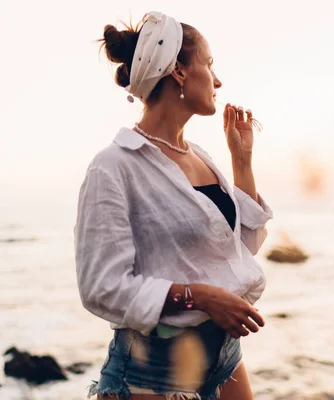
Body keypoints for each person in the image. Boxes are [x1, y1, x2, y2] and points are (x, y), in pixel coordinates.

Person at [74, 11, 273, 400]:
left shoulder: (200, 156)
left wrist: (242, 161)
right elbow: (101, 287)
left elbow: (238, 251)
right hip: (152, 372)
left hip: (224, 358)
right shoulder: (114, 167)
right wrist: (198, 296)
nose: (217, 80)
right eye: (209, 64)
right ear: (179, 72)